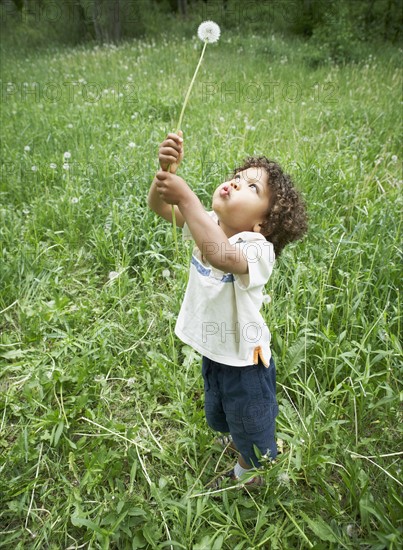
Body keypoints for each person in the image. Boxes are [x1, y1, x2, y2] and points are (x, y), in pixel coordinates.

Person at [148, 131, 308, 489]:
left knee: (253, 424)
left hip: (246, 362)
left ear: (263, 224)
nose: (236, 183)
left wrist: (186, 196)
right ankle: (238, 439)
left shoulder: (256, 249)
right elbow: (161, 208)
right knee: (220, 411)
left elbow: (220, 254)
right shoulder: (210, 224)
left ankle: (254, 475)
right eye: (237, 177)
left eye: (252, 188)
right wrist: (164, 172)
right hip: (217, 351)